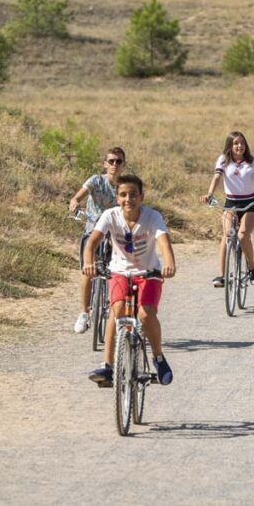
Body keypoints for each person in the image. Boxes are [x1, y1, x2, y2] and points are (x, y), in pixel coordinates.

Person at [86, 174, 176, 386]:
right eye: (124, 195)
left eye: (133, 195)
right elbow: (92, 242)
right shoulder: (110, 215)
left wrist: (169, 263)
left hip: (148, 274)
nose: (129, 200)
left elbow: (163, 242)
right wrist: (88, 262)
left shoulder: (152, 217)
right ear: (117, 198)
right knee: (116, 311)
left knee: (145, 314)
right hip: (119, 272)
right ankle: (107, 365)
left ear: (141, 197)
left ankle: (158, 357)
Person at [69, 147, 126, 334]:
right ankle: (84, 313)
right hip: (93, 228)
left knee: (118, 268)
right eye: (111, 161)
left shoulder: (124, 186)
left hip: (113, 231)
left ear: (123, 164)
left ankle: (115, 304)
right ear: (105, 164)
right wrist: (75, 202)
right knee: (88, 269)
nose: (114, 165)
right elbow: (79, 195)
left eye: (118, 161)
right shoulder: (96, 180)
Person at [202, 131, 254, 288]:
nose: (240, 146)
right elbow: (217, 177)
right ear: (230, 146)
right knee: (227, 235)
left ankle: (252, 267)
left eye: (242, 143)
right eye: (236, 143)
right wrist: (209, 194)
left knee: (243, 234)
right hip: (230, 204)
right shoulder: (224, 160)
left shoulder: (253, 162)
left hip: (249, 205)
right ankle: (222, 275)